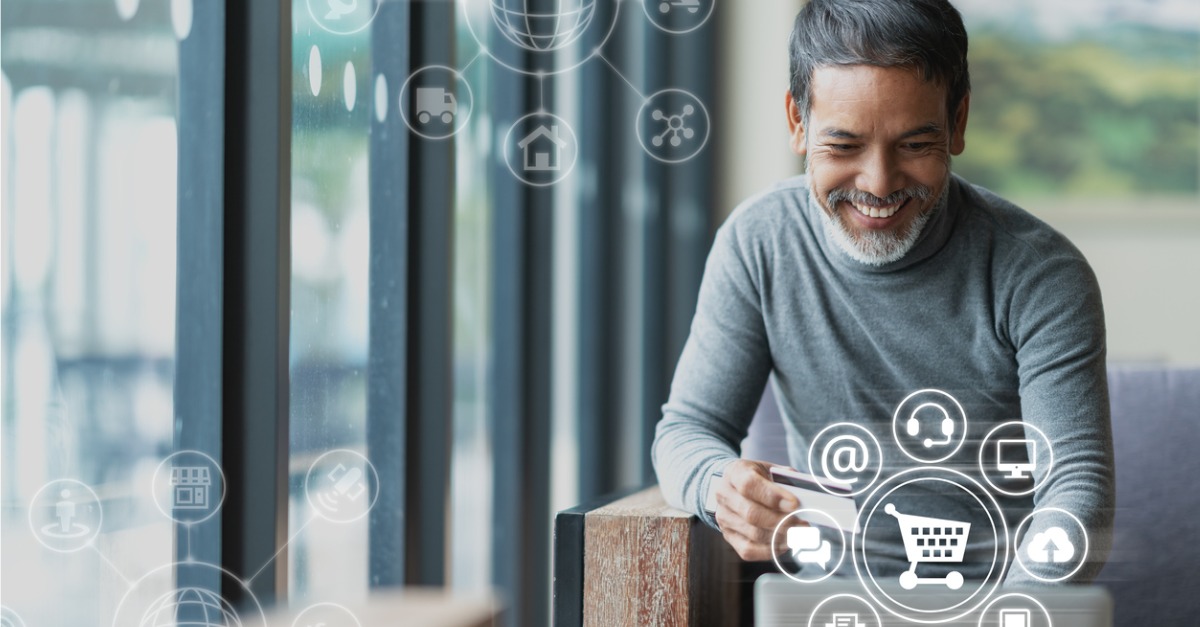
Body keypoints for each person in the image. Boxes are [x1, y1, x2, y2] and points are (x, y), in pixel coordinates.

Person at [652, 0, 1113, 585]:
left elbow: (1077, 492)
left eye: (916, 146)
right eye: (843, 147)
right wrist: (722, 491)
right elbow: (688, 430)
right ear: (798, 122)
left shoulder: (1041, 273)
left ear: (959, 121)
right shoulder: (758, 242)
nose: (878, 184)